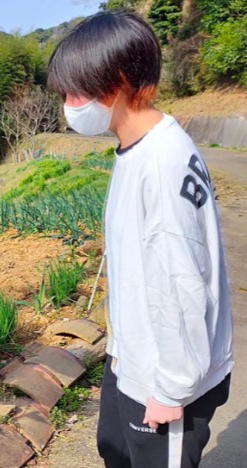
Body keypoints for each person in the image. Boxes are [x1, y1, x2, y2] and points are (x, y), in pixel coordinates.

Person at [46, 11, 233, 468]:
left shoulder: (162, 163)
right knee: (115, 452)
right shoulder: (139, 149)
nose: (70, 104)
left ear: (123, 80)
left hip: (166, 376)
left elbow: (181, 281)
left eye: (78, 90)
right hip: (132, 358)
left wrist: (173, 387)